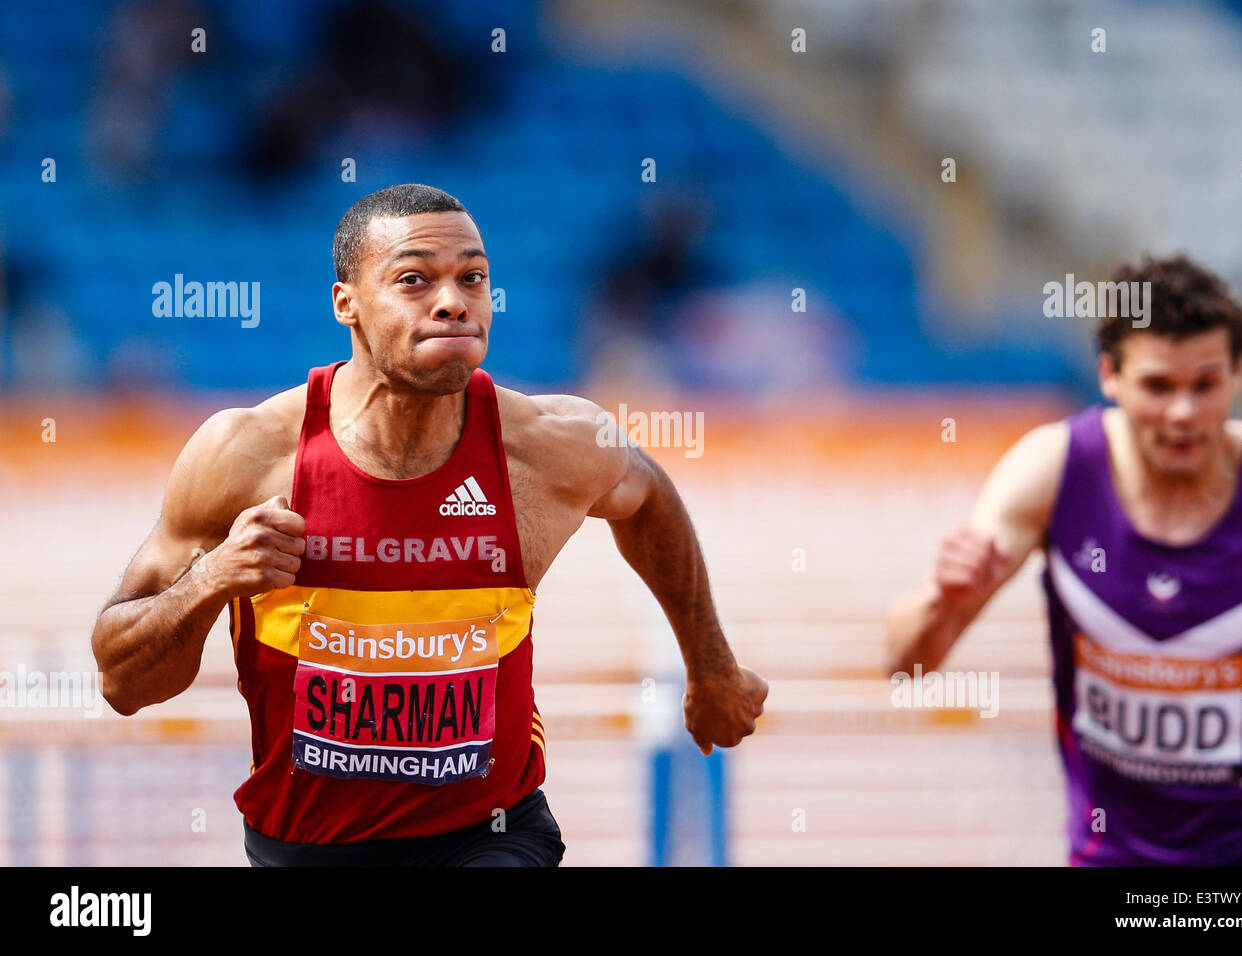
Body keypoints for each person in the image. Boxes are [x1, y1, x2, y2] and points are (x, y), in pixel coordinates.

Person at [91, 183, 768, 867]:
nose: (453, 301)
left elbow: (647, 495)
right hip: (305, 847)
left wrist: (711, 668)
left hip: (490, 837)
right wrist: (210, 579)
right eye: (414, 280)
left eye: (472, 277)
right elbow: (124, 685)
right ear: (346, 304)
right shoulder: (248, 456)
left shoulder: (545, 447)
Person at [885, 254, 1242, 866]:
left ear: (1237, 374)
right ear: (1110, 376)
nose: (1183, 413)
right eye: (1159, 386)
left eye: (1204, 384)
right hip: (1111, 856)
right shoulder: (1054, 470)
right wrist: (940, 598)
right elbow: (905, 667)